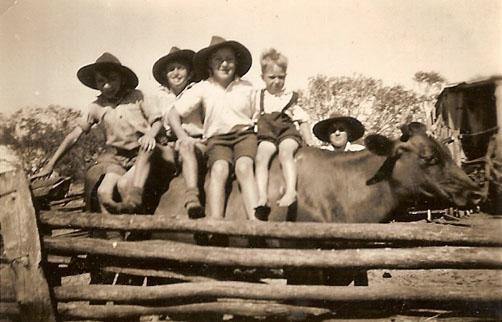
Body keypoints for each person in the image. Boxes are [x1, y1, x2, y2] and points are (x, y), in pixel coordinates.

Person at [33, 53, 163, 213]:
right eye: (101, 81)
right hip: (119, 159)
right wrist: (50, 164)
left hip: (144, 154)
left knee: (124, 185)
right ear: (96, 83)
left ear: (122, 79)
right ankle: (113, 234)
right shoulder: (96, 107)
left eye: (112, 79)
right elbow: (74, 136)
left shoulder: (137, 97)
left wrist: (150, 135)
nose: (107, 86)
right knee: (103, 192)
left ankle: (137, 231)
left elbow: (157, 121)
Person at [168, 36, 260, 221]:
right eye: (218, 59)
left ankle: (256, 223)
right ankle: (215, 224)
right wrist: (182, 136)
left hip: (244, 135)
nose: (224, 64)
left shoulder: (247, 87)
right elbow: (173, 114)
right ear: (210, 65)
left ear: (236, 63)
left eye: (229, 59)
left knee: (244, 167)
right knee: (219, 169)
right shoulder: (203, 88)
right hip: (217, 140)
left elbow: (257, 114)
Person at [254, 48, 315, 218]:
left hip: (287, 132)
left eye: (281, 77)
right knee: (261, 157)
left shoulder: (289, 97)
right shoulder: (258, 97)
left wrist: (309, 138)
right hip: (267, 134)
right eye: (272, 77)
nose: (276, 81)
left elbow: (303, 119)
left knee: (285, 153)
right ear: (263, 77)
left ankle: (290, 191)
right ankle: (261, 196)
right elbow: (251, 118)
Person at [153, 46, 205, 219]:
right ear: (165, 76)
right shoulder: (159, 97)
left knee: (187, 148)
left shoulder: (197, 91)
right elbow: (154, 122)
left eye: (180, 68)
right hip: (168, 144)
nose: (176, 73)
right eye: (170, 69)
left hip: (193, 140)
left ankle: (192, 196)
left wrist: (188, 139)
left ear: (190, 73)